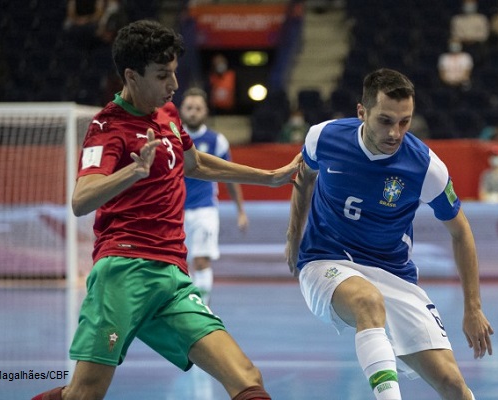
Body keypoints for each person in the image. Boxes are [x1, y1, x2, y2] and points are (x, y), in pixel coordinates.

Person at [32, 20, 300, 400]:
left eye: (173, 72)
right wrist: (133, 171)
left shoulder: (167, 114)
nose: (173, 84)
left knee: (246, 377)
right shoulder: (107, 127)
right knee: (84, 393)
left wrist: (270, 177)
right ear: (131, 76)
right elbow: (82, 199)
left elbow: (195, 163)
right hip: (124, 271)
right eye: (162, 75)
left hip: (171, 277)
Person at [285, 68, 493, 400]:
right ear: (362, 112)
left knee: (453, 386)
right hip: (325, 260)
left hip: (393, 273)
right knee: (367, 301)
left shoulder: (425, 167)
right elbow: (304, 175)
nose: (395, 133)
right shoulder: (323, 137)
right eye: (385, 121)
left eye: (404, 122)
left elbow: (461, 232)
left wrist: (473, 307)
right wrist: (293, 235)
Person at [179, 87, 248, 305]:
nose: (193, 112)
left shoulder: (216, 141)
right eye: (189, 108)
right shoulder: (172, 138)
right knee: (178, 264)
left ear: (206, 111)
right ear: (181, 110)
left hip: (204, 210)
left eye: (198, 108)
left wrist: (240, 211)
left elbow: (230, 176)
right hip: (174, 212)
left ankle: (203, 310)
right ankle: (184, 309)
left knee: (201, 261)